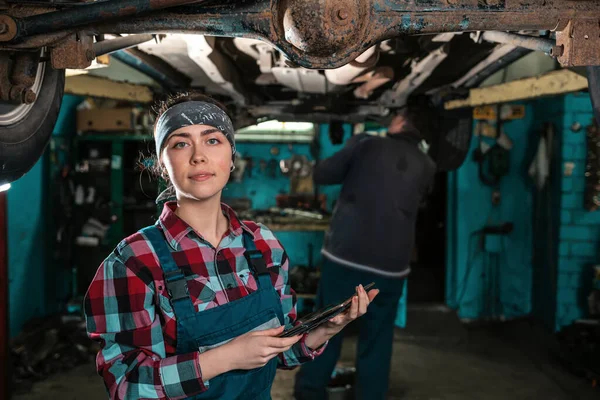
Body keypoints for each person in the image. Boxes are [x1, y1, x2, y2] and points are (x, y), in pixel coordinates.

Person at [83, 92, 379, 400]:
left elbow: (279, 353)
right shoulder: (132, 262)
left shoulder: (264, 244)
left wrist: (325, 329)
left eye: (213, 140)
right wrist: (224, 358)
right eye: (181, 143)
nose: (198, 156)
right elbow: (127, 387)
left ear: (232, 156)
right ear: (161, 164)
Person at [294, 109, 436, 400]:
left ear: (400, 121)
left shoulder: (367, 144)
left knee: (329, 326)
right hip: (392, 267)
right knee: (379, 337)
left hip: (346, 257)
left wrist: (354, 151)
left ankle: (310, 391)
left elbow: (323, 173)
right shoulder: (427, 164)